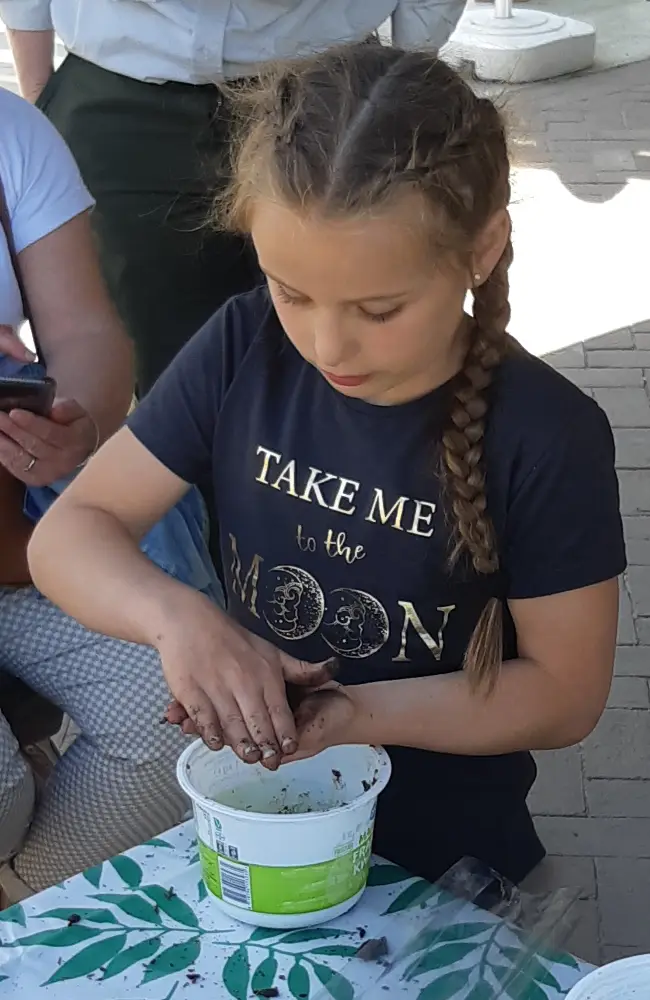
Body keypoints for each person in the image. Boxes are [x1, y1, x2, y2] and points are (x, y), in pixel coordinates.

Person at [29, 42, 625, 887]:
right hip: (251, 818)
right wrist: (182, 621)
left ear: (481, 247)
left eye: (380, 310)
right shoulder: (245, 344)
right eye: (291, 290)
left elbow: (567, 693)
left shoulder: (548, 433)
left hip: (444, 860)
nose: (327, 345)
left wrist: (351, 716)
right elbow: (70, 536)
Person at [0, 1, 467, 393]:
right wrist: (38, 99)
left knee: (354, 371)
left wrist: (405, 75)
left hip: (328, 87)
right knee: (169, 383)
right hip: (122, 94)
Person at [0, 85, 222, 902]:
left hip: (18, 539)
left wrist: (77, 423)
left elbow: (89, 335)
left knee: (186, 721)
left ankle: (20, 911)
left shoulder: (10, 131)